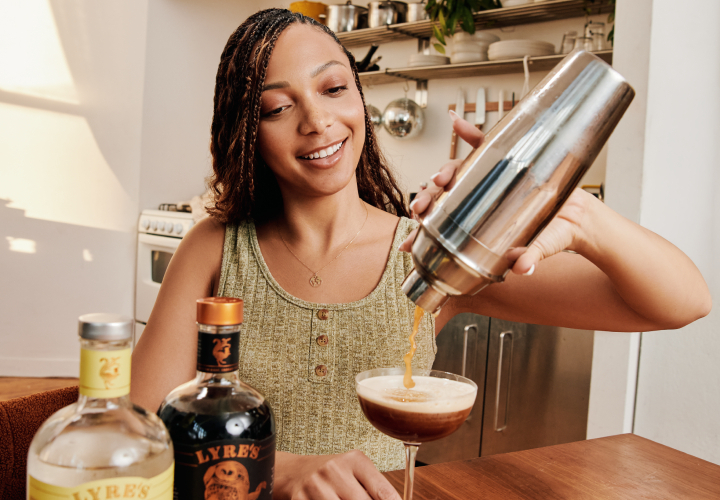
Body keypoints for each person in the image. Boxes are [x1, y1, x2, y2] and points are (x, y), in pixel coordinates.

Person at [130, 8, 711, 500]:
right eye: (277, 108)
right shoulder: (215, 247)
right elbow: (139, 431)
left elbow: (682, 301)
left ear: (359, 97)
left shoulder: (429, 253)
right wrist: (280, 471)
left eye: (334, 89)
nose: (317, 121)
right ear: (245, 130)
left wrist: (577, 214)